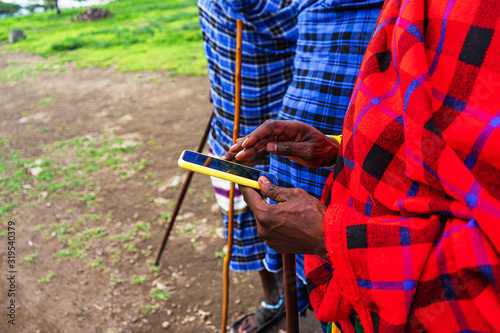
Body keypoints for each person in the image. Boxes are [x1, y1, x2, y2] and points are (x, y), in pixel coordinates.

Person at [225, 0, 500, 331]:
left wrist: (331, 239)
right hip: (354, 297)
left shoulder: (482, 19)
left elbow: (485, 276)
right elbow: (429, 142)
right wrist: (344, 148)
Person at [232, 0, 384, 331]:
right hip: (311, 154)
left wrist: (328, 236)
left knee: (351, 291)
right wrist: (334, 149)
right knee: (302, 263)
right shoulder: (308, 4)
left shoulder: (403, 12)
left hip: (359, 182)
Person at [197, 0, 299, 331]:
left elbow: (284, 23)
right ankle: (275, 299)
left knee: (284, 208)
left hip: (277, 121)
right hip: (233, 116)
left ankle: (294, 290)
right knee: (249, 211)